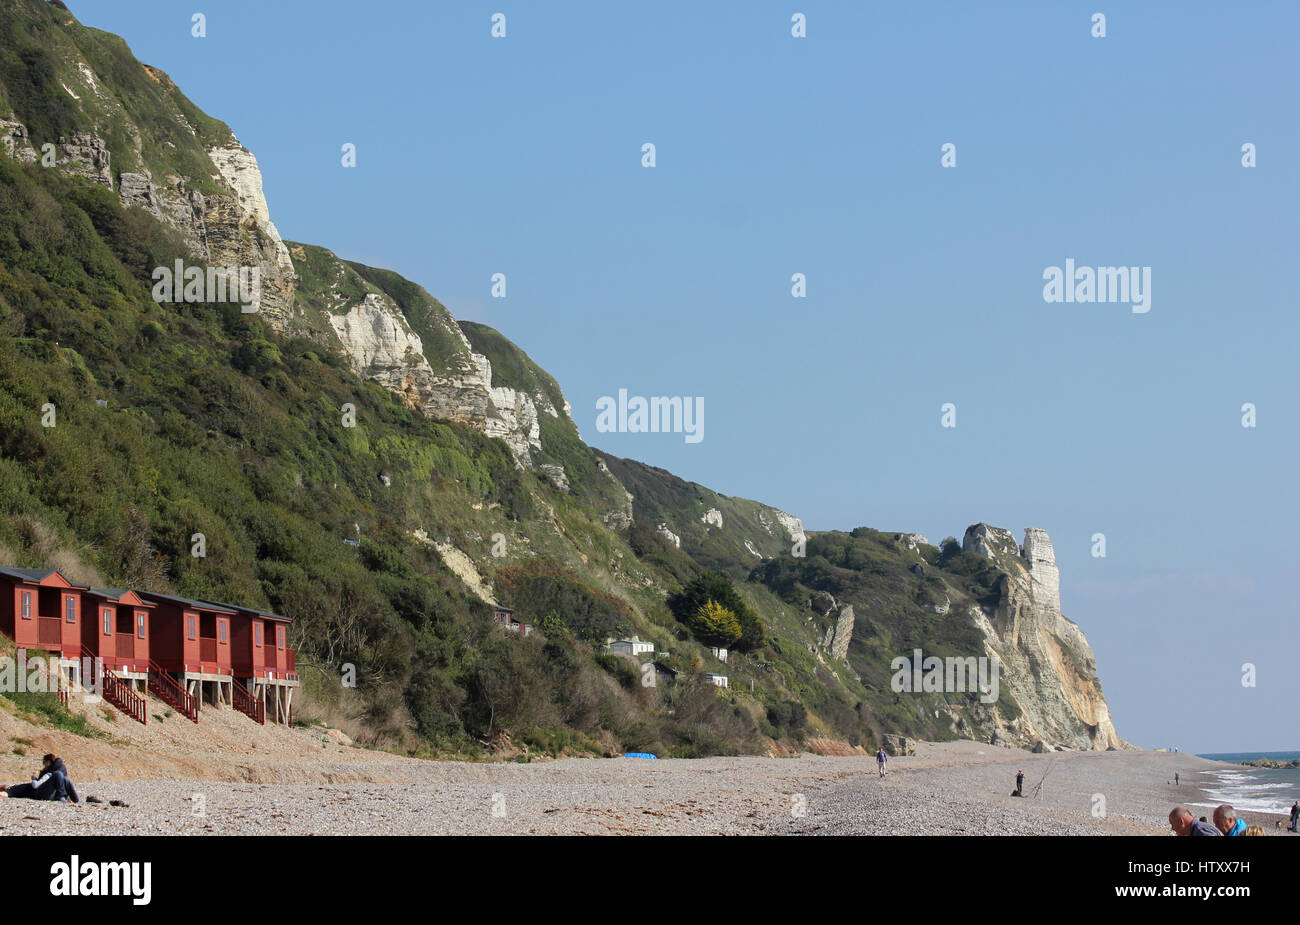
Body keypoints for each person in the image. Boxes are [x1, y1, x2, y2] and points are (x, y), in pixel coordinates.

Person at [0, 754, 79, 803]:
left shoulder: (50, 772)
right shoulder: (61, 768)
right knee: (65, 779)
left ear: (48, 762)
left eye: (44, 762)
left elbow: (36, 785)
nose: (44, 764)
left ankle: (62, 797)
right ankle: (74, 799)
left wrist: (34, 779)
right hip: (54, 795)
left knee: (59, 775)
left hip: (44, 795)